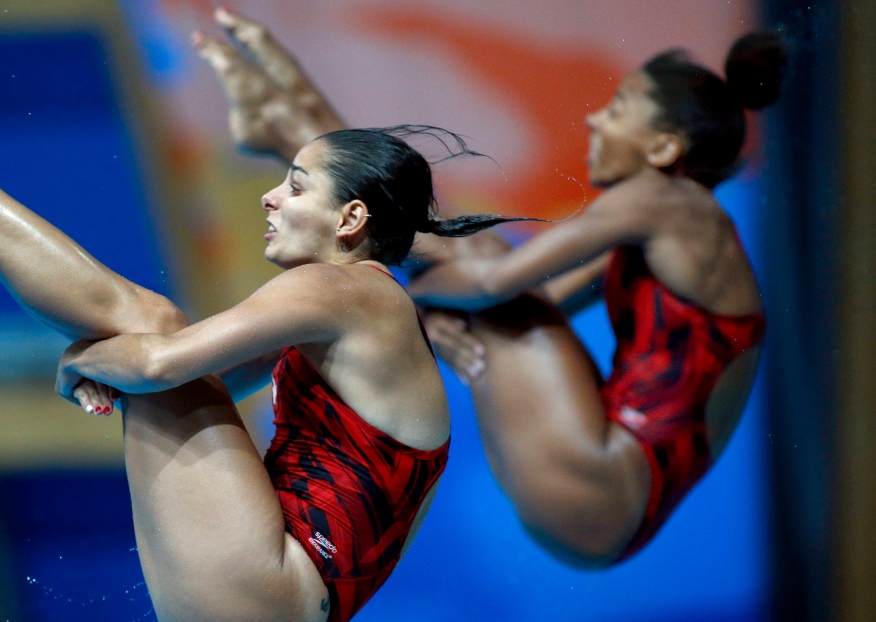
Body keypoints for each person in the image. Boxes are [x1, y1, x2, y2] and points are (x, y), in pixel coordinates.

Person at [0, 53, 525, 620]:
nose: (270, 199)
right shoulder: (359, 309)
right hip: (275, 593)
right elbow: (189, 381)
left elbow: (161, 361)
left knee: (154, 323)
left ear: (348, 219)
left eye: (294, 185)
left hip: (271, 584)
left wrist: (80, 360)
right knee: (148, 331)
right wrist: (111, 369)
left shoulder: (341, 289)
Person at [194, 8, 785, 567]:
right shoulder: (687, 229)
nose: (594, 118)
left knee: (480, 255)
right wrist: (437, 315)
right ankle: (288, 122)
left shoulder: (661, 197)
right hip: (604, 507)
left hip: (599, 484)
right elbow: (526, 299)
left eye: (620, 105)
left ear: (662, 148)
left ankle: (289, 123)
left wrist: (416, 306)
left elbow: (491, 279)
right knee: (475, 267)